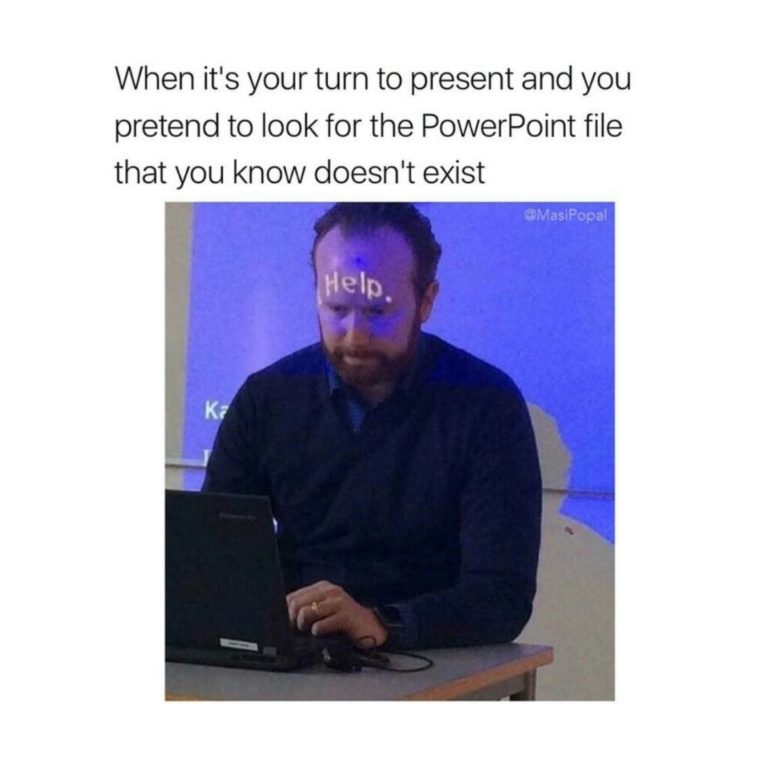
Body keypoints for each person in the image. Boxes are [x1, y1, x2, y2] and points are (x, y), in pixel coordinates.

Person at [202, 203, 542, 650]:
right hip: (296, 649)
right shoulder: (265, 398)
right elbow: (214, 563)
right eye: (336, 308)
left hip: (432, 661)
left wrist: (385, 623)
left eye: (377, 312)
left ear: (426, 301)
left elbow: (502, 596)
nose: (354, 335)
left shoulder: (486, 404)